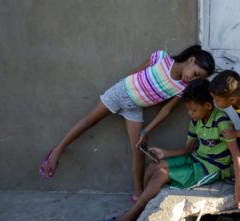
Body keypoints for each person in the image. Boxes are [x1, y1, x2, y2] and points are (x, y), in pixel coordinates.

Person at [39, 45, 215, 202]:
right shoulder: (161, 58)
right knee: (88, 122)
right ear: (191, 60)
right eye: (196, 74)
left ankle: (137, 194)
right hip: (120, 92)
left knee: (138, 150)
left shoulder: (182, 87)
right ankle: (57, 151)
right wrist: (124, 87)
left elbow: (165, 111)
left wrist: (147, 130)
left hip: (134, 108)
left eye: (198, 79)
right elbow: (134, 72)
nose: (193, 79)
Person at [93, 78, 240, 221]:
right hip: (196, 158)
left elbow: (236, 155)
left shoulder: (222, 123)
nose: (190, 114)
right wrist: (165, 153)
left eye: (193, 110)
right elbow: (187, 149)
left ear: (208, 106)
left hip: (213, 168)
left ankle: (126, 220)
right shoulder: (196, 120)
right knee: (154, 166)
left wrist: (239, 188)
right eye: (189, 110)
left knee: (161, 173)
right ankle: (140, 211)